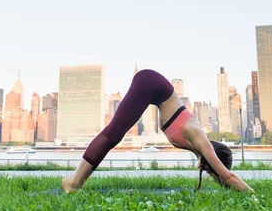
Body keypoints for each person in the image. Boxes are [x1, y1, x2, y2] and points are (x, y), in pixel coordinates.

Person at [62, 69, 254, 193]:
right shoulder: (199, 137)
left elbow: (224, 179)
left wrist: (223, 182)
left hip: (153, 87)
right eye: (212, 170)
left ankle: (75, 181)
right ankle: (74, 182)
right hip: (150, 82)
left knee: (115, 134)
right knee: (113, 133)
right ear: (214, 160)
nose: (208, 173)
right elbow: (229, 178)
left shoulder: (198, 148)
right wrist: (254, 197)